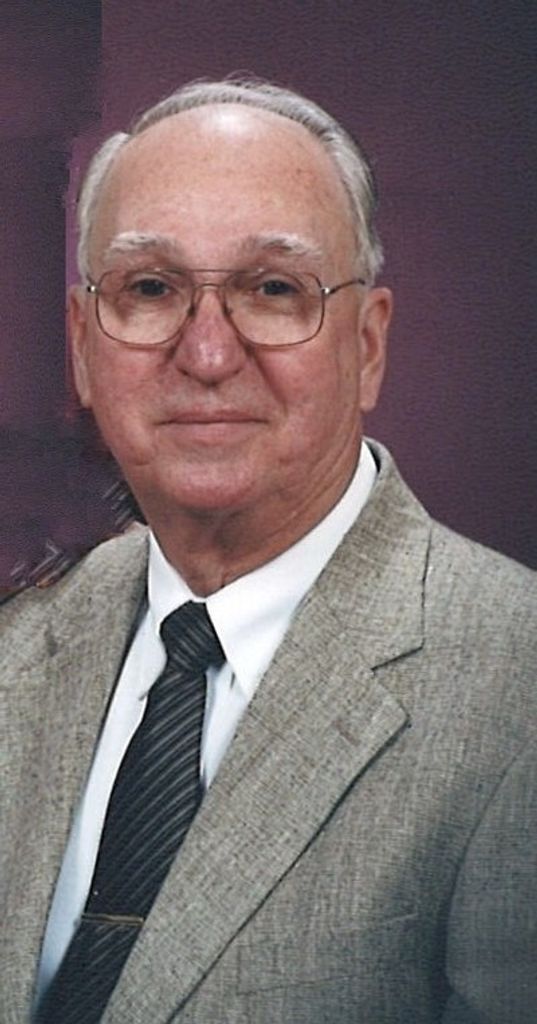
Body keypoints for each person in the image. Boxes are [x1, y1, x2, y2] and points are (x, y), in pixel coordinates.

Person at [1, 77, 536, 1024]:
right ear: (83, 347)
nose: (207, 355)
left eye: (273, 289)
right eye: (150, 288)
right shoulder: (21, 640)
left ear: (367, 345)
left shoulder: (513, 683)